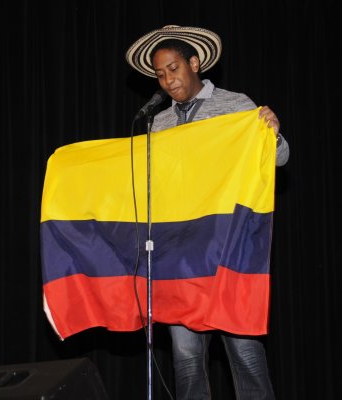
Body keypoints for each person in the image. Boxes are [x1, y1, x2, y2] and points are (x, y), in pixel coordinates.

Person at [126, 25, 289, 400]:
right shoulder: (159, 124)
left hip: (230, 251)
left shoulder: (235, 105)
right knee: (185, 359)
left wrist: (273, 132)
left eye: (173, 68)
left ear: (194, 62)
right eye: (160, 74)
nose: (168, 79)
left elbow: (280, 158)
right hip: (180, 257)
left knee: (245, 353)